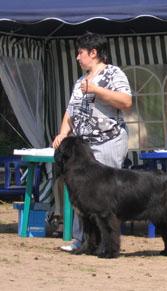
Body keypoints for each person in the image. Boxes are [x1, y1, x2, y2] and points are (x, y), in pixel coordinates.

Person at [52, 32, 132, 251]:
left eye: (80, 53)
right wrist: (62, 134)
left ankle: (106, 244)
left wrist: (97, 90)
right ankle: (82, 240)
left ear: (93, 53)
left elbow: (126, 101)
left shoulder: (114, 73)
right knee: (81, 192)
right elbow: (70, 111)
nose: (77, 57)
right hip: (83, 148)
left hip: (108, 141)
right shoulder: (80, 81)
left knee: (104, 196)